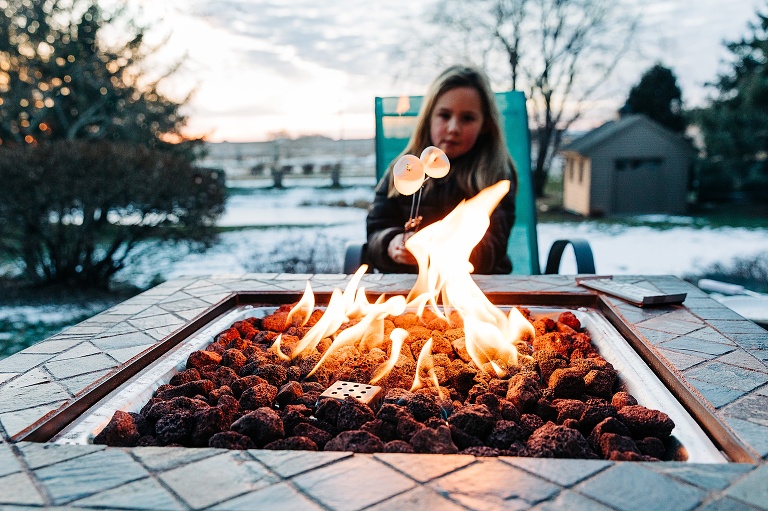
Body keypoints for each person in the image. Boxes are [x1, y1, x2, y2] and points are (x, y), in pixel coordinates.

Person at [366, 64, 517, 274]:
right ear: (428, 118)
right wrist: (391, 243)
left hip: (476, 292)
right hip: (406, 292)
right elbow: (376, 230)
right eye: (444, 115)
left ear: (485, 125)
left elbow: (492, 249)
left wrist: (435, 249)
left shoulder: (495, 175)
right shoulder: (402, 171)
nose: (454, 128)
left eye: (467, 118)